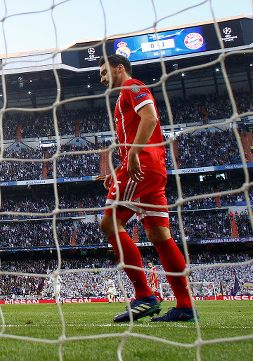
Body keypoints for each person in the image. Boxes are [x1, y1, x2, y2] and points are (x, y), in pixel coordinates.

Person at [98, 54, 194, 323]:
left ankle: (144, 297)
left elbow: (150, 118)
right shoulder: (122, 99)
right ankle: (185, 306)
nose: (103, 79)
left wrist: (133, 156)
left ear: (120, 68)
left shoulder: (133, 87)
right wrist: (118, 171)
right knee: (160, 236)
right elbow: (135, 136)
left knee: (109, 224)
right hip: (150, 169)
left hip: (144, 167)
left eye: (105, 72)